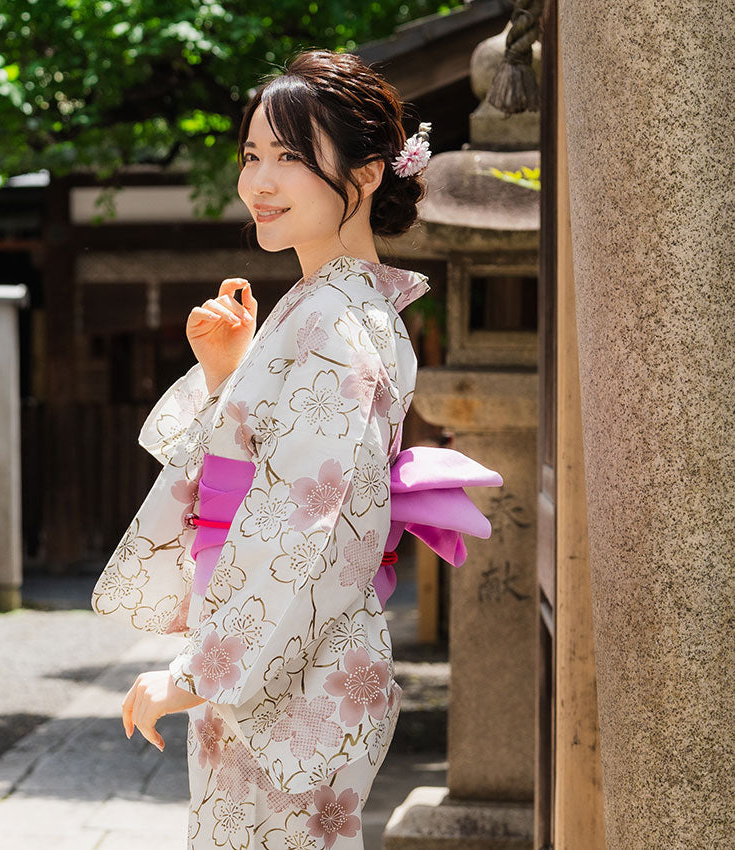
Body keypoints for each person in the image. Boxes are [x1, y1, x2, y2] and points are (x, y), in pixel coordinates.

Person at [92, 48, 502, 849]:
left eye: (290, 157)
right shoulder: (328, 307)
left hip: (291, 664)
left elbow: (305, 524)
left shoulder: (336, 325)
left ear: (370, 173)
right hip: (284, 652)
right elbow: (268, 474)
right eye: (252, 155)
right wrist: (226, 376)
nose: (260, 183)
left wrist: (196, 671)